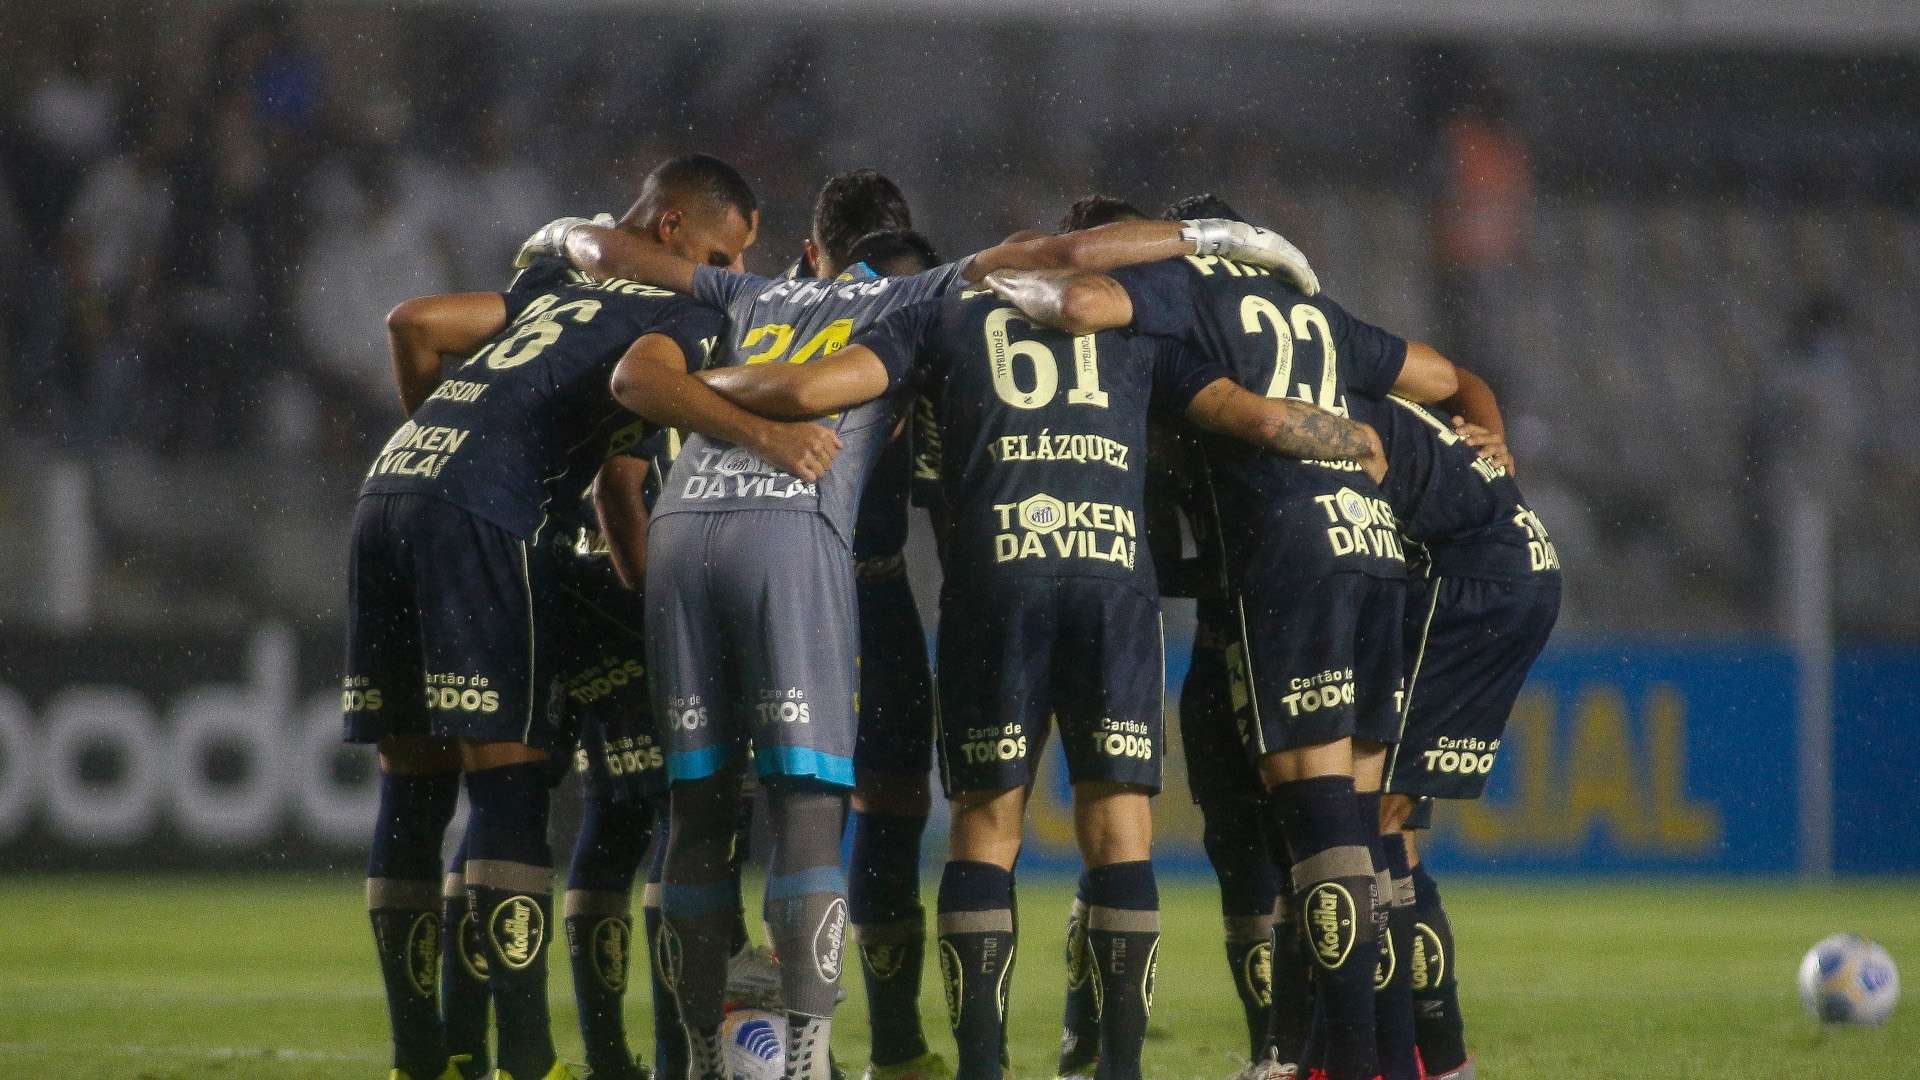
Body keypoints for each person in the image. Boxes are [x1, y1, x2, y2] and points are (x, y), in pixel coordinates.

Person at [513, 172, 1323, 1080]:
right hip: (871, 550)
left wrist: (569, 244)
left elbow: (637, 294)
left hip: (699, 538)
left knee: (707, 812)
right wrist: (1226, 249)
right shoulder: (944, 303)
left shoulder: (759, 294)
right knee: (834, 814)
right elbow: (1081, 295)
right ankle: (823, 1059)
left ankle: (707, 1058)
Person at [675, 246, 1384, 1080]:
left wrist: (694, 391)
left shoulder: (938, 315)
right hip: (1114, 580)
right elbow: (1253, 418)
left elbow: (810, 389)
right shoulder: (1142, 324)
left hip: (996, 577)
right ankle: (1117, 1072)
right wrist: (1355, 437)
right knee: (1119, 832)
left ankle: (984, 1068)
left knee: (986, 825)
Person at [988, 193, 1488, 1080]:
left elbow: (1086, 299)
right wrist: (1479, 438)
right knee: (1366, 836)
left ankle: (1335, 1061)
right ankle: (1385, 1060)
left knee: (1315, 826)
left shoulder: (1179, 297)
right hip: (1373, 550)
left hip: (1287, 557)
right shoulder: (1312, 307)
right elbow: (1451, 377)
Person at [343, 154, 777, 1080]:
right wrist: (772, 436)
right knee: (510, 785)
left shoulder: (551, 283)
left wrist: (460, 449)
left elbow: (415, 323)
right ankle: (528, 1060)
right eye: (719, 253)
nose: (729, 277)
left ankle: (423, 1059)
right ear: (669, 232)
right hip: (480, 515)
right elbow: (644, 398)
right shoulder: (684, 314)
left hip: (391, 486)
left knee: (414, 784)